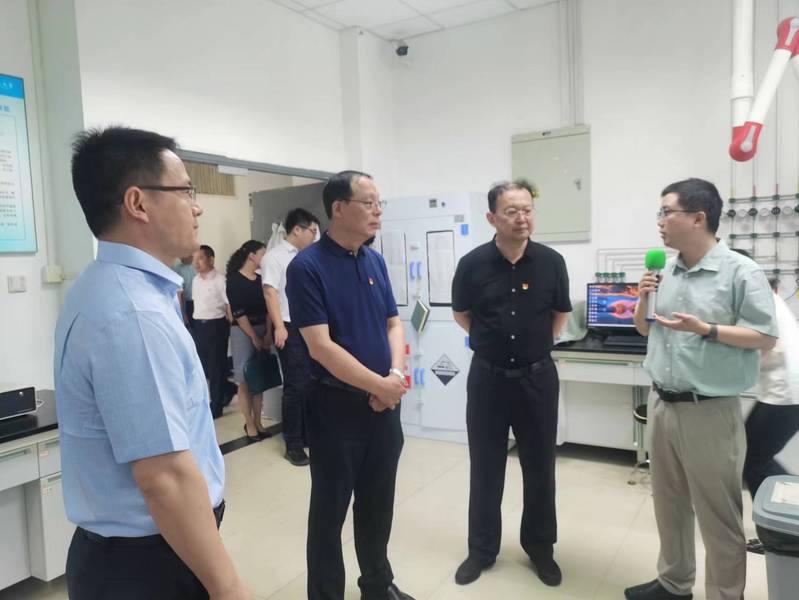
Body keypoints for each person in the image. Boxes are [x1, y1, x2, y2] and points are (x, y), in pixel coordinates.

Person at [55, 126, 250, 599]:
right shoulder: (133, 312)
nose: (196, 207)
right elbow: (164, 478)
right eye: (186, 191)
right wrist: (228, 588)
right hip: (150, 565)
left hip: (139, 554)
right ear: (138, 203)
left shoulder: (105, 285)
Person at [625, 178, 777, 600]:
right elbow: (645, 329)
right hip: (662, 403)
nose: (660, 221)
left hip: (709, 409)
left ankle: (726, 595)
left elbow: (765, 337)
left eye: (666, 212)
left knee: (718, 515)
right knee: (668, 503)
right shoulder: (666, 271)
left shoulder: (741, 272)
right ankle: (674, 583)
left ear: (697, 218)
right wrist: (642, 298)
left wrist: (707, 329)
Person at [286, 170, 413, 600]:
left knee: (378, 504)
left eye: (380, 203)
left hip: (383, 406)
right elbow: (320, 346)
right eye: (368, 202)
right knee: (329, 513)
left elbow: (394, 324)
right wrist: (379, 385)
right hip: (335, 408)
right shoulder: (307, 267)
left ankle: (377, 585)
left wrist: (393, 378)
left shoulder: (374, 261)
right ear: (338, 208)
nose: (378, 211)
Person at [451, 179, 571, 588]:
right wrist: (493, 343)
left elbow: (559, 314)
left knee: (540, 467)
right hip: (488, 379)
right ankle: (481, 550)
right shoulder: (472, 264)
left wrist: (535, 347)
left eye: (527, 210)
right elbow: (462, 314)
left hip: (537, 380)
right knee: (485, 467)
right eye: (512, 211)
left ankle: (541, 548)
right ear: (492, 218)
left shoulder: (552, 262)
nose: (522, 218)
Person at [261, 207, 320, 466]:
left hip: (310, 326)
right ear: (297, 229)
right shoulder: (274, 257)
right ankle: (293, 443)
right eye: (312, 231)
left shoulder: (309, 256)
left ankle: (308, 434)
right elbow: (270, 293)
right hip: (288, 325)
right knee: (295, 385)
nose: (315, 236)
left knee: (311, 382)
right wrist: (279, 327)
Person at [226, 240, 272, 441]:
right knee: (245, 378)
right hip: (242, 331)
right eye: (263, 253)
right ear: (252, 255)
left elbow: (270, 308)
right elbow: (239, 313)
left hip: (263, 327)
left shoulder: (262, 279)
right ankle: (250, 423)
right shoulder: (234, 281)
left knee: (258, 378)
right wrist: (254, 337)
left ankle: (259, 422)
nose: (266, 257)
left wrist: (268, 334)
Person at [193, 244, 232, 419]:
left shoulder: (220, 280)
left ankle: (216, 405)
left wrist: (232, 326)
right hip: (199, 325)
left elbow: (228, 304)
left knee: (216, 367)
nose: (196, 263)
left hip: (216, 325)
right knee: (204, 366)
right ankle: (229, 389)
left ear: (211, 259)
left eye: (200, 258)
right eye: (195, 259)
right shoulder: (195, 280)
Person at [173, 253, 197, 328]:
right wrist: (184, 316)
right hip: (187, 304)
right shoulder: (177, 270)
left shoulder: (198, 267)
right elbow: (178, 297)